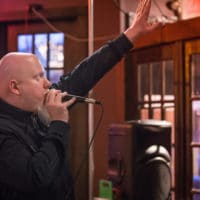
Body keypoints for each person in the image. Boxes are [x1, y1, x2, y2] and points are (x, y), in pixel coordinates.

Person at [0, 0, 162, 199]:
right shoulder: (3, 132)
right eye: (37, 77)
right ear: (15, 87)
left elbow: (83, 76)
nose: (47, 83)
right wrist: (58, 123)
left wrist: (130, 35)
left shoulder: (37, 106)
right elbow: (37, 178)